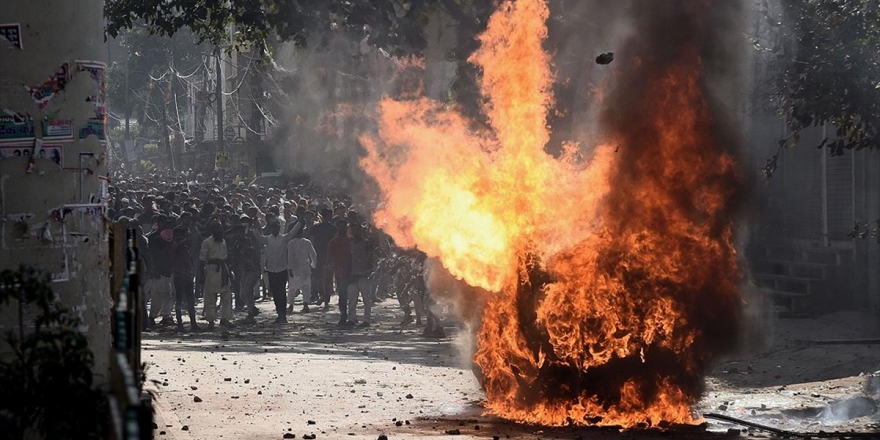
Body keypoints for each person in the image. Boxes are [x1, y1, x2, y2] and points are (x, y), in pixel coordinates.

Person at [251, 219, 303, 323]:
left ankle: (283, 314)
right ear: (270, 228)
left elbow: (292, 232)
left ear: (279, 228)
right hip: (271, 270)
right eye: (273, 227)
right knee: (274, 292)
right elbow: (258, 237)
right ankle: (279, 313)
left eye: (277, 227)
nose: (275, 229)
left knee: (282, 292)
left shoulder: (284, 238)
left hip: (282, 269)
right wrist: (254, 226)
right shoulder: (267, 239)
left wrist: (300, 222)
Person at [200, 222, 235, 330]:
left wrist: (229, 272)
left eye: (219, 228)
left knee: (227, 296)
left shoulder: (223, 241)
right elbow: (202, 259)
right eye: (216, 228)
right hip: (211, 270)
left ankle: (224, 319)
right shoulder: (207, 242)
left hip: (223, 270)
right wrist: (201, 275)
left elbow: (225, 257)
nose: (218, 230)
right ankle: (211, 321)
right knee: (210, 296)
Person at [146, 217, 175, 326]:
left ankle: (166, 316)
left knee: (170, 294)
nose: (168, 229)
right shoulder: (153, 238)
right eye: (165, 226)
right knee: (157, 295)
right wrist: (153, 269)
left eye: (170, 227)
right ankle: (152, 316)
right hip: (159, 271)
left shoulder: (173, 238)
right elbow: (151, 255)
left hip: (170, 270)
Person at [346, 223, 374, 328]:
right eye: (354, 230)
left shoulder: (367, 243)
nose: (355, 232)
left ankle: (367, 320)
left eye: (357, 230)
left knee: (366, 299)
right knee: (352, 299)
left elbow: (370, 259)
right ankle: (352, 319)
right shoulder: (350, 243)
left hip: (364, 275)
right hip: (353, 275)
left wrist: (368, 271)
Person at [171, 226, 198, 331]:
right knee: (179, 301)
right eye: (178, 235)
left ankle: (193, 324)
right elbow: (177, 246)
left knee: (191, 301)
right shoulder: (174, 246)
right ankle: (180, 325)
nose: (180, 237)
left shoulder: (186, 248)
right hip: (179, 276)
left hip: (187, 276)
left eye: (181, 235)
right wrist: (187, 238)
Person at [309, 208, 336, 309]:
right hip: (326, 255)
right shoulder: (332, 228)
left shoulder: (316, 228)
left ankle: (324, 297)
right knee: (326, 279)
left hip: (319, 255)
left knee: (319, 278)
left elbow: (311, 241)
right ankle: (325, 298)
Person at [326, 219, 352, 326]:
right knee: (342, 294)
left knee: (352, 294)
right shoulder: (333, 242)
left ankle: (351, 316)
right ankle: (343, 314)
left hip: (352, 270)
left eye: (343, 226)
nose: (342, 228)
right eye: (340, 226)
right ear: (337, 228)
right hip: (340, 271)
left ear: (346, 227)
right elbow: (330, 257)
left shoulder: (351, 240)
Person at [286, 226, 317, 314]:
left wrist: (290, 268)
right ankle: (305, 305)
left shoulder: (291, 243)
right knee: (306, 287)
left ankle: (291, 305)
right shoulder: (307, 242)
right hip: (305, 267)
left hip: (294, 268)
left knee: (292, 288)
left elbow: (290, 257)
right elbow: (313, 255)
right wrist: (313, 265)